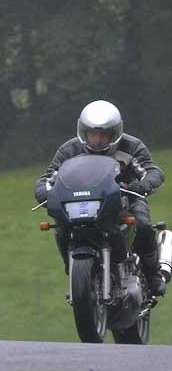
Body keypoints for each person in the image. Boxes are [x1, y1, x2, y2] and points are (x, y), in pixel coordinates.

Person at [34, 100, 167, 296]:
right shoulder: (69, 150)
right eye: (92, 133)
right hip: (83, 201)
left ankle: (152, 272)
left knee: (143, 225)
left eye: (103, 134)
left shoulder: (131, 146)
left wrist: (140, 185)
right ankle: (71, 269)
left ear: (114, 133)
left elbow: (152, 171)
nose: (97, 139)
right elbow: (48, 178)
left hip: (126, 198)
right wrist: (46, 193)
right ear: (83, 131)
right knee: (61, 227)